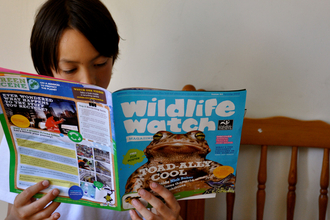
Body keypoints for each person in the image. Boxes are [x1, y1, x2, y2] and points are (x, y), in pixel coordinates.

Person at [1, 0, 183, 220]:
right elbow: (14, 213)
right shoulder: (22, 134)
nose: (89, 81)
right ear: (45, 67)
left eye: (100, 64)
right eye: (70, 69)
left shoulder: (147, 125)